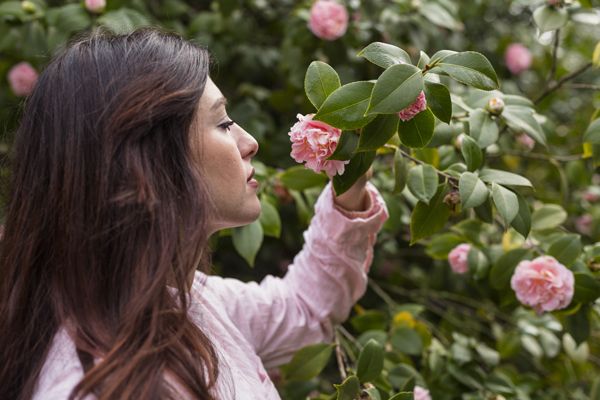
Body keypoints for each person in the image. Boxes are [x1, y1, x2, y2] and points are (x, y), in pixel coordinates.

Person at [0, 27, 388, 400]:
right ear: (145, 162)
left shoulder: (186, 301)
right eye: (223, 123)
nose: (250, 142)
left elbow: (302, 309)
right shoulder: (90, 387)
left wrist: (349, 189)